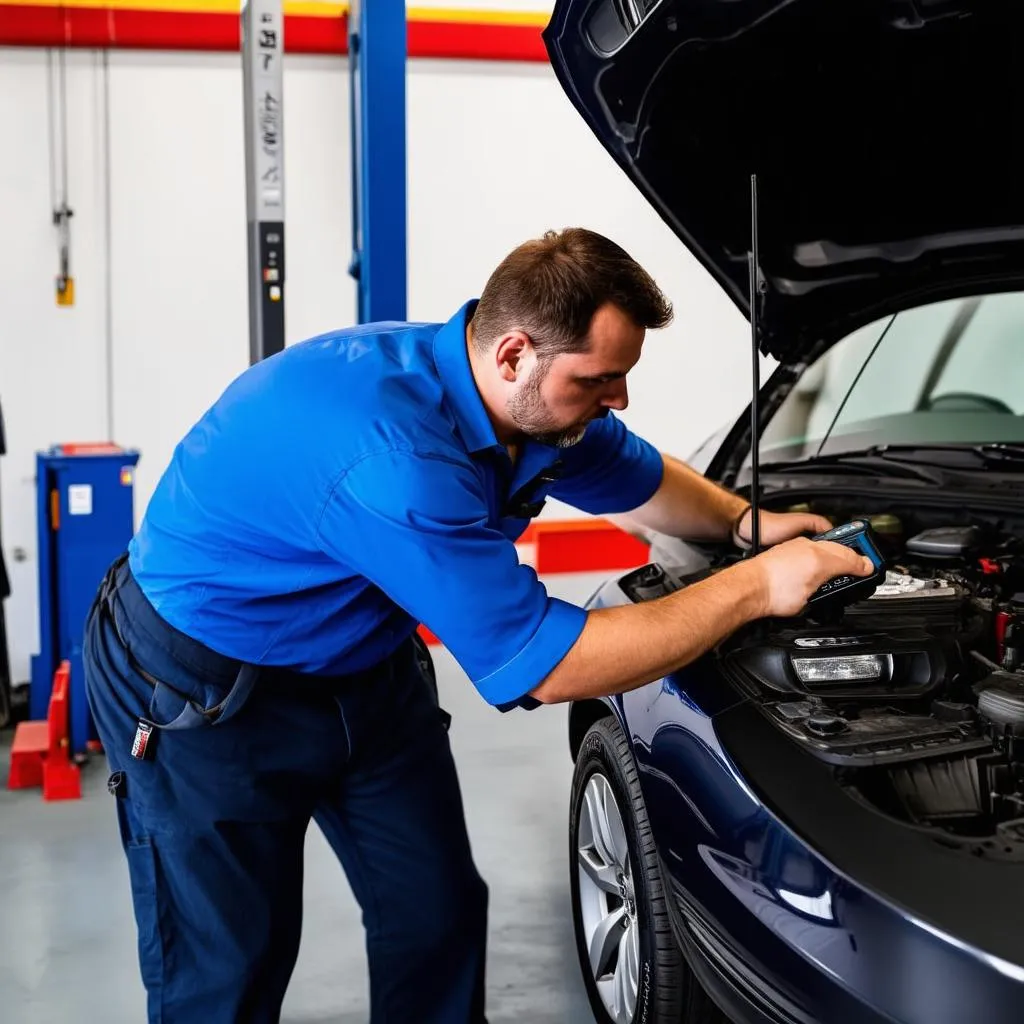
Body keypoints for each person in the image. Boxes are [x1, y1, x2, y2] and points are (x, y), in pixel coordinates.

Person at [83, 228, 873, 1024]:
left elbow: (637, 477)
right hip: (204, 693)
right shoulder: (396, 459)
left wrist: (743, 525)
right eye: (601, 380)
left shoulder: (528, 408)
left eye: (623, 378)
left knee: (435, 909)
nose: (619, 400)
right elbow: (551, 665)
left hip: (366, 671)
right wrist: (752, 588)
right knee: (228, 968)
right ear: (514, 354)